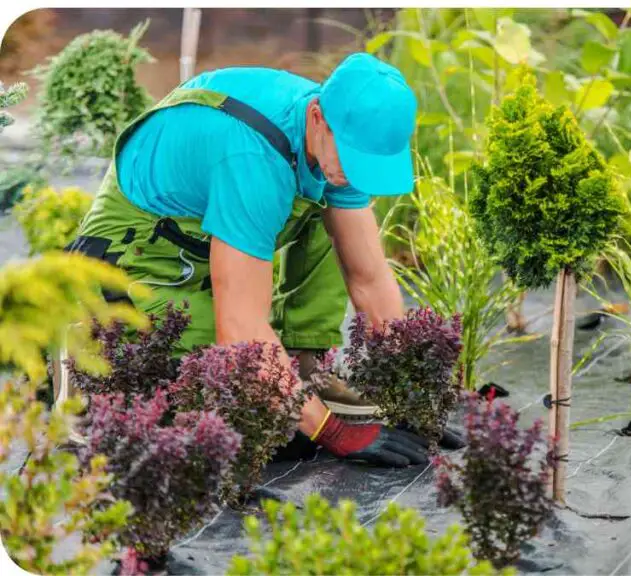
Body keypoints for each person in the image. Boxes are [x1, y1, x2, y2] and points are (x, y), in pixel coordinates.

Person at [59, 52, 459, 468]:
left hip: (202, 240)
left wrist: (412, 400)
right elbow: (241, 330)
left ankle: (306, 367)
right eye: (354, 159)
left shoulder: (334, 140)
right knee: (266, 428)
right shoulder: (252, 157)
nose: (358, 175)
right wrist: (333, 432)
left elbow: (370, 280)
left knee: (337, 220)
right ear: (318, 117)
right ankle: (83, 358)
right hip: (133, 260)